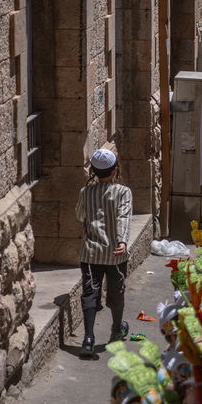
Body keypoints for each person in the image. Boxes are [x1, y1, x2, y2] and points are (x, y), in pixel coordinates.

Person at [76, 147, 132, 355]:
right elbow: (123, 217)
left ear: (93, 171)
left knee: (90, 293)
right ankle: (117, 329)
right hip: (115, 254)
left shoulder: (85, 192)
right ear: (115, 169)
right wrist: (122, 241)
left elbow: (80, 215)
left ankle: (88, 339)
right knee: (117, 291)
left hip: (90, 253)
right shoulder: (123, 192)